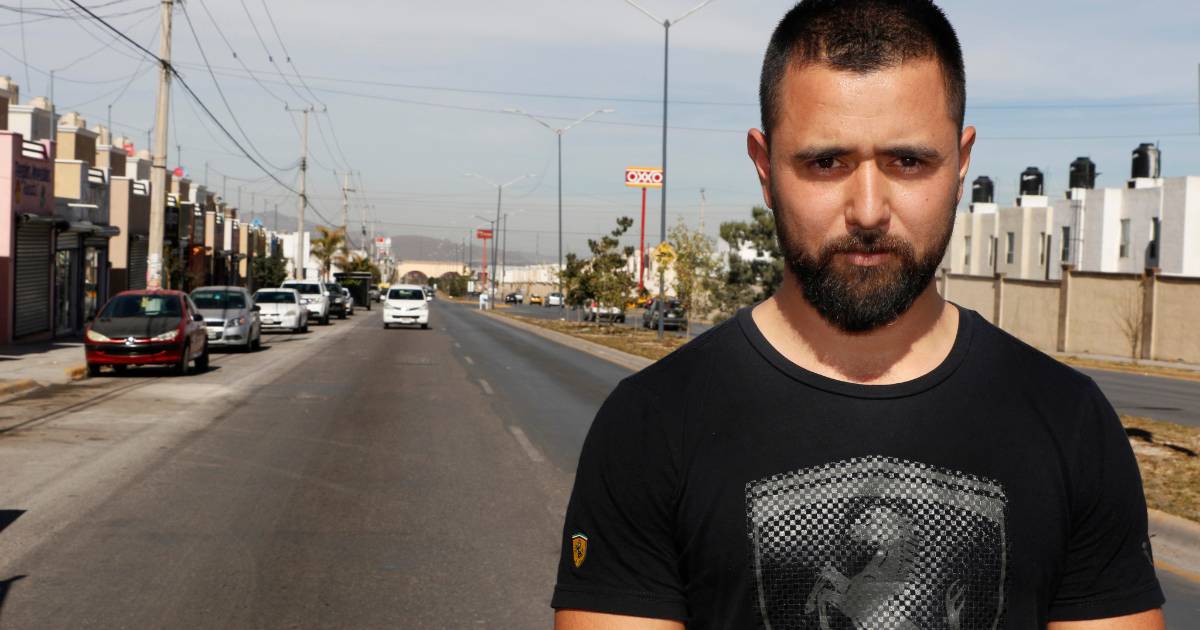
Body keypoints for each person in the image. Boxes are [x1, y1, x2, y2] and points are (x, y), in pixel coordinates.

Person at [552, 1, 1165, 628]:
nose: (868, 211)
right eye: (826, 162)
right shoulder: (652, 424)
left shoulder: (1070, 422)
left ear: (961, 164)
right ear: (764, 167)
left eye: (908, 161)